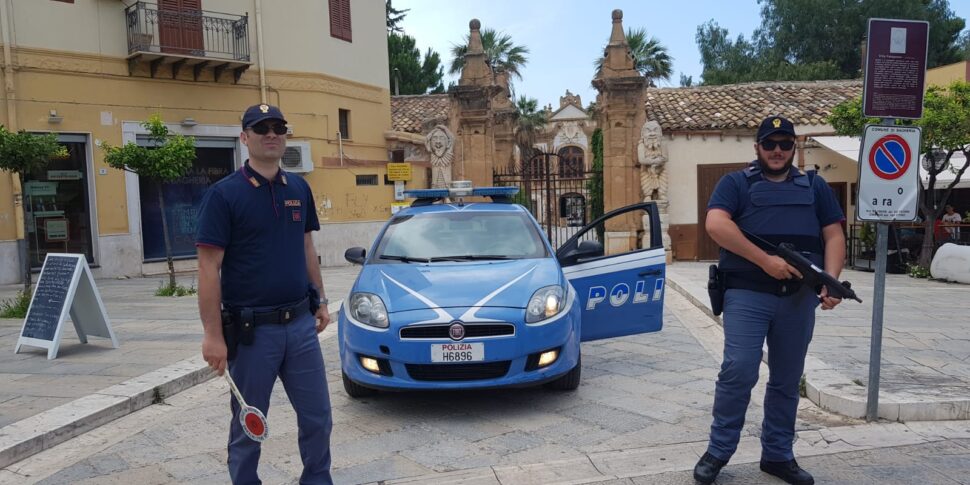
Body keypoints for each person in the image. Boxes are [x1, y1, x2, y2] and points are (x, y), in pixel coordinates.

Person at [694, 116, 845, 485]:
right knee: (738, 370)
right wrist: (766, 261)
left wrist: (831, 281)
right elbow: (716, 224)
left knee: (787, 379)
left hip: (798, 299)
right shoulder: (735, 183)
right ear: (757, 147)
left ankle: (777, 455)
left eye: (785, 144)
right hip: (747, 294)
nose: (777, 151)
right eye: (770, 144)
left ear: (794, 147)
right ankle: (718, 450)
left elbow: (834, 234)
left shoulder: (814, 185)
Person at [197, 104, 333, 484]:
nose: (271, 134)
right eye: (261, 129)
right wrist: (212, 335)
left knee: (318, 417)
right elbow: (208, 267)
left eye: (278, 127)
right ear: (245, 138)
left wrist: (320, 299)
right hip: (252, 333)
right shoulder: (224, 195)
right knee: (249, 425)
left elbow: (306, 246)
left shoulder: (299, 188)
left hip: (301, 328)